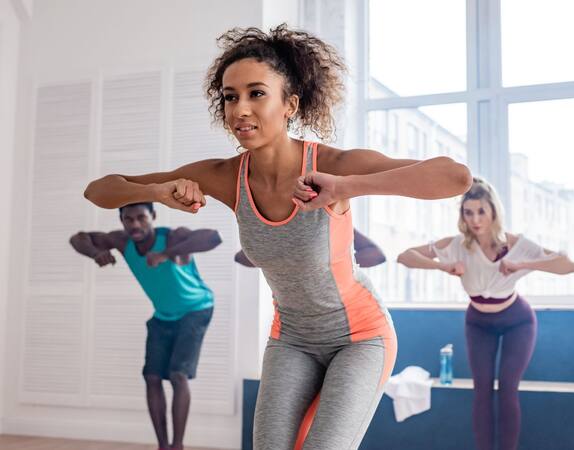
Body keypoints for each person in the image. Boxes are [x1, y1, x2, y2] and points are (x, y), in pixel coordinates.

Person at [82, 24, 471, 450]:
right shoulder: (226, 177)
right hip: (292, 340)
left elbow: (454, 177)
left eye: (256, 93)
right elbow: (99, 190)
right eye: (230, 97)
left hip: (360, 338)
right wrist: (157, 192)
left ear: (290, 104)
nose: (240, 109)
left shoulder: (334, 165)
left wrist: (346, 187)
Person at [397, 177, 574, 450]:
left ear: (493, 211)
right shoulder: (456, 245)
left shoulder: (516, 244)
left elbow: (568, 265)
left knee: (506, 388)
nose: (475, 219)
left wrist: (521, 264)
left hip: (518, 320)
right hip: (478, 322)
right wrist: (442, 267)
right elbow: (405, 256)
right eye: (468, 212)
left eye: (481, 211)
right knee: (481, 390)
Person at [69, 202, 222, 450]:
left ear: (153, 216)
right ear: (122, 222)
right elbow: (78, 238)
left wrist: (167, 253)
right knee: (151, 376)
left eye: (141, 217)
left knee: (177, 374)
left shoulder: (173, 236)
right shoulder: (122, 241)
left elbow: (214, 238)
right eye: (128, 219)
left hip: (197, 309)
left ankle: (177, 445)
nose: (135, 224)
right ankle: (162, 445)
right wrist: (95, 253)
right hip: (163, 315)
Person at [235, 229, 386, 268]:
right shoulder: (276, 225)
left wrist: (326, 262)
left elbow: (376, 256)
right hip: (292, 317)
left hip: (338, 313)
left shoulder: (330, 219)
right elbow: (241, 258)